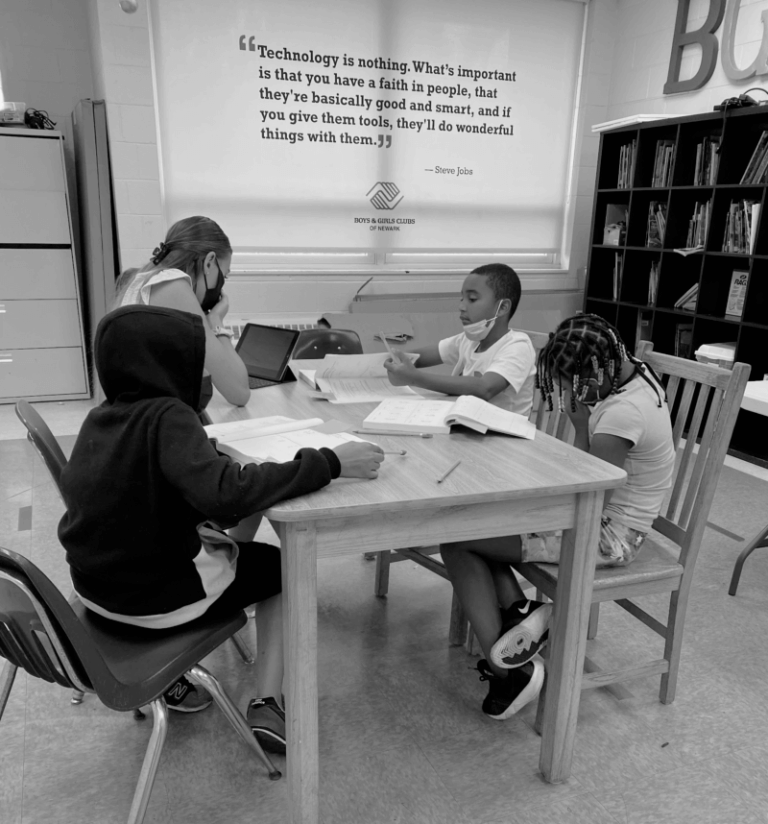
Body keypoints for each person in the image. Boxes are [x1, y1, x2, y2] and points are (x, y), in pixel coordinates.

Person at [57, 304, 384, 752]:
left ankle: (171, 682)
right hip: (155, 601)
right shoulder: (169, 414)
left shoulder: (103, 417)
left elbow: (152, 493)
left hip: (98, 596)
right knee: (283, 566)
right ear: (171, 362)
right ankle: (268, 701)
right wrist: (329, 462)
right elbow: (227, 497)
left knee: (222, 537)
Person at [439, 314, 675, 721]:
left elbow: (586, 496)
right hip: (604, 518)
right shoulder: (634, 375)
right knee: (481, 527)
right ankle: (521, 616)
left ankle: (509, 671)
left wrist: (579, 425)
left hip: (606, 536)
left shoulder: (621, 417)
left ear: (600, 367)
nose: (571, 391)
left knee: (459, 538)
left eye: (574, 382)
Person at [114, 215, 250, 409]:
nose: (221, 286)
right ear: (209, 262)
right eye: (224, 275)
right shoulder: (172, 286)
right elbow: (240, 392)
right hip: (155, 427)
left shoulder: (139, 280)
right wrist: (216, 320)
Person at [383, 263, 536, 415]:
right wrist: (392, 362)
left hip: (504, 435)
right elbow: (419, 358)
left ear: (502, 308)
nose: (462, 306)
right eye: (461, 298)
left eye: (472, 299)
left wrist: (414, 378)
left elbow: (485, 388)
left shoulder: (518, 346)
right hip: (467, 428)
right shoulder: (468, 340)